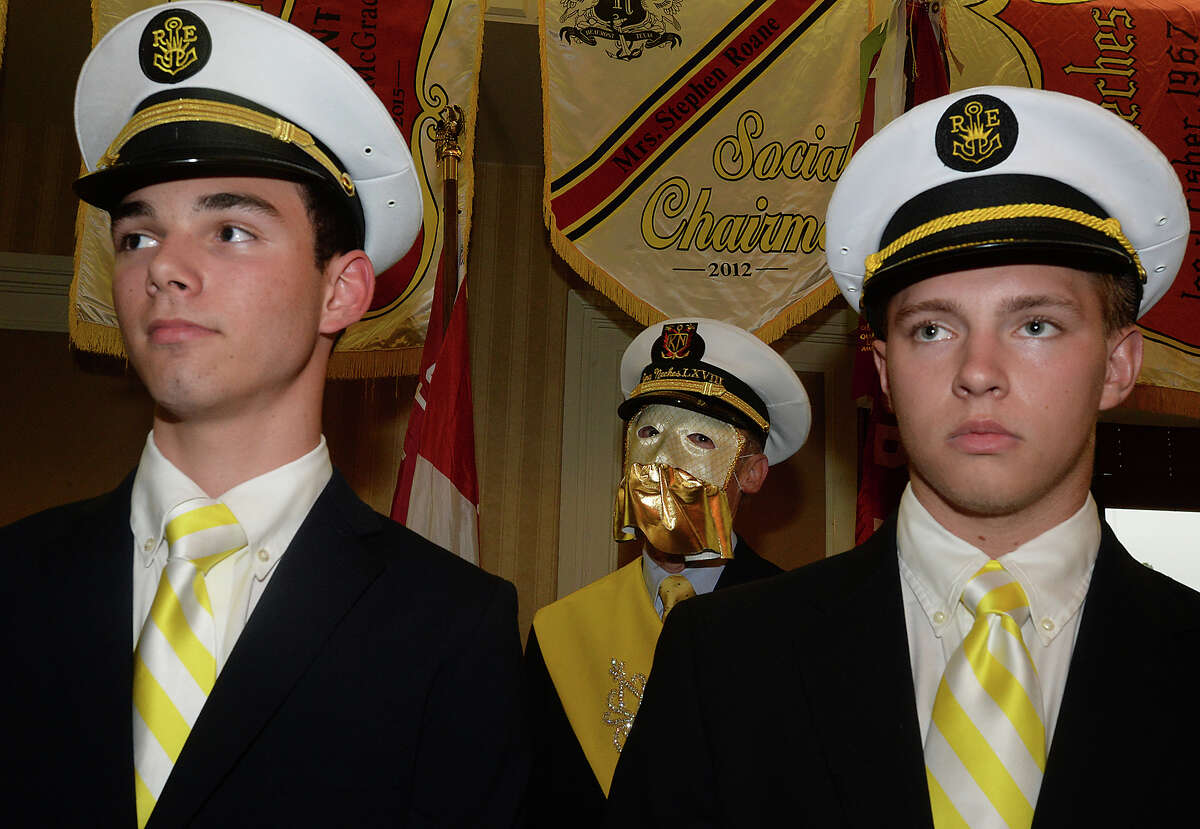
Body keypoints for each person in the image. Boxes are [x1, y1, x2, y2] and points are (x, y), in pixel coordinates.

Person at [604, 86, 1200, 827]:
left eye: (1037, 324)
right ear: (883, 374)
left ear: (1117, 365)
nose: (978, 370)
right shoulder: (723, 660)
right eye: (932, 330)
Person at [0, 3, 525, 826]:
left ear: (341, 289)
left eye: (231, 229)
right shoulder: (12, 579)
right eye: (137, 236)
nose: (165, 266)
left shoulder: (451, 628)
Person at [524, 318, 810, 826]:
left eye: (699, 439)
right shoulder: (561, 629)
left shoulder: (800, 625)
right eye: (649, 433)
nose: (661, 462)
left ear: (752, 473)